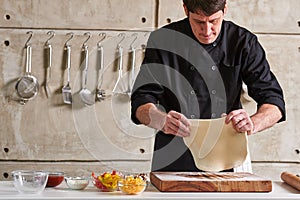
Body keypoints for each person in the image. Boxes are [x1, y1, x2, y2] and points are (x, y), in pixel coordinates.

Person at [131, 0, 286, 172]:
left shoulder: (243, 42)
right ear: (185, 10)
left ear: (224, 9)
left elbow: (274, 102)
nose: (207, 31)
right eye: (198, 22)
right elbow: (141, 99)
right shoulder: (163, 40)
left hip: (229, 155)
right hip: (174, 154)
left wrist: (253, 123)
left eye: (214, 21)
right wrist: (161, 120)